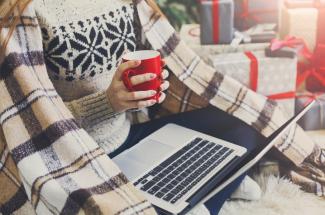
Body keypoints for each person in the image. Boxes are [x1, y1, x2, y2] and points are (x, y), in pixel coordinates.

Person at [1, 0, 297, 214]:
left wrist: (164, 79)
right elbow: (24, 123)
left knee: (247, 121)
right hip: (75, 160)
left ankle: (202, 194)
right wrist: (106, 103)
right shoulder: (22, 13)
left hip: (132, 134)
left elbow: (167, 54)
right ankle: (209, 190)